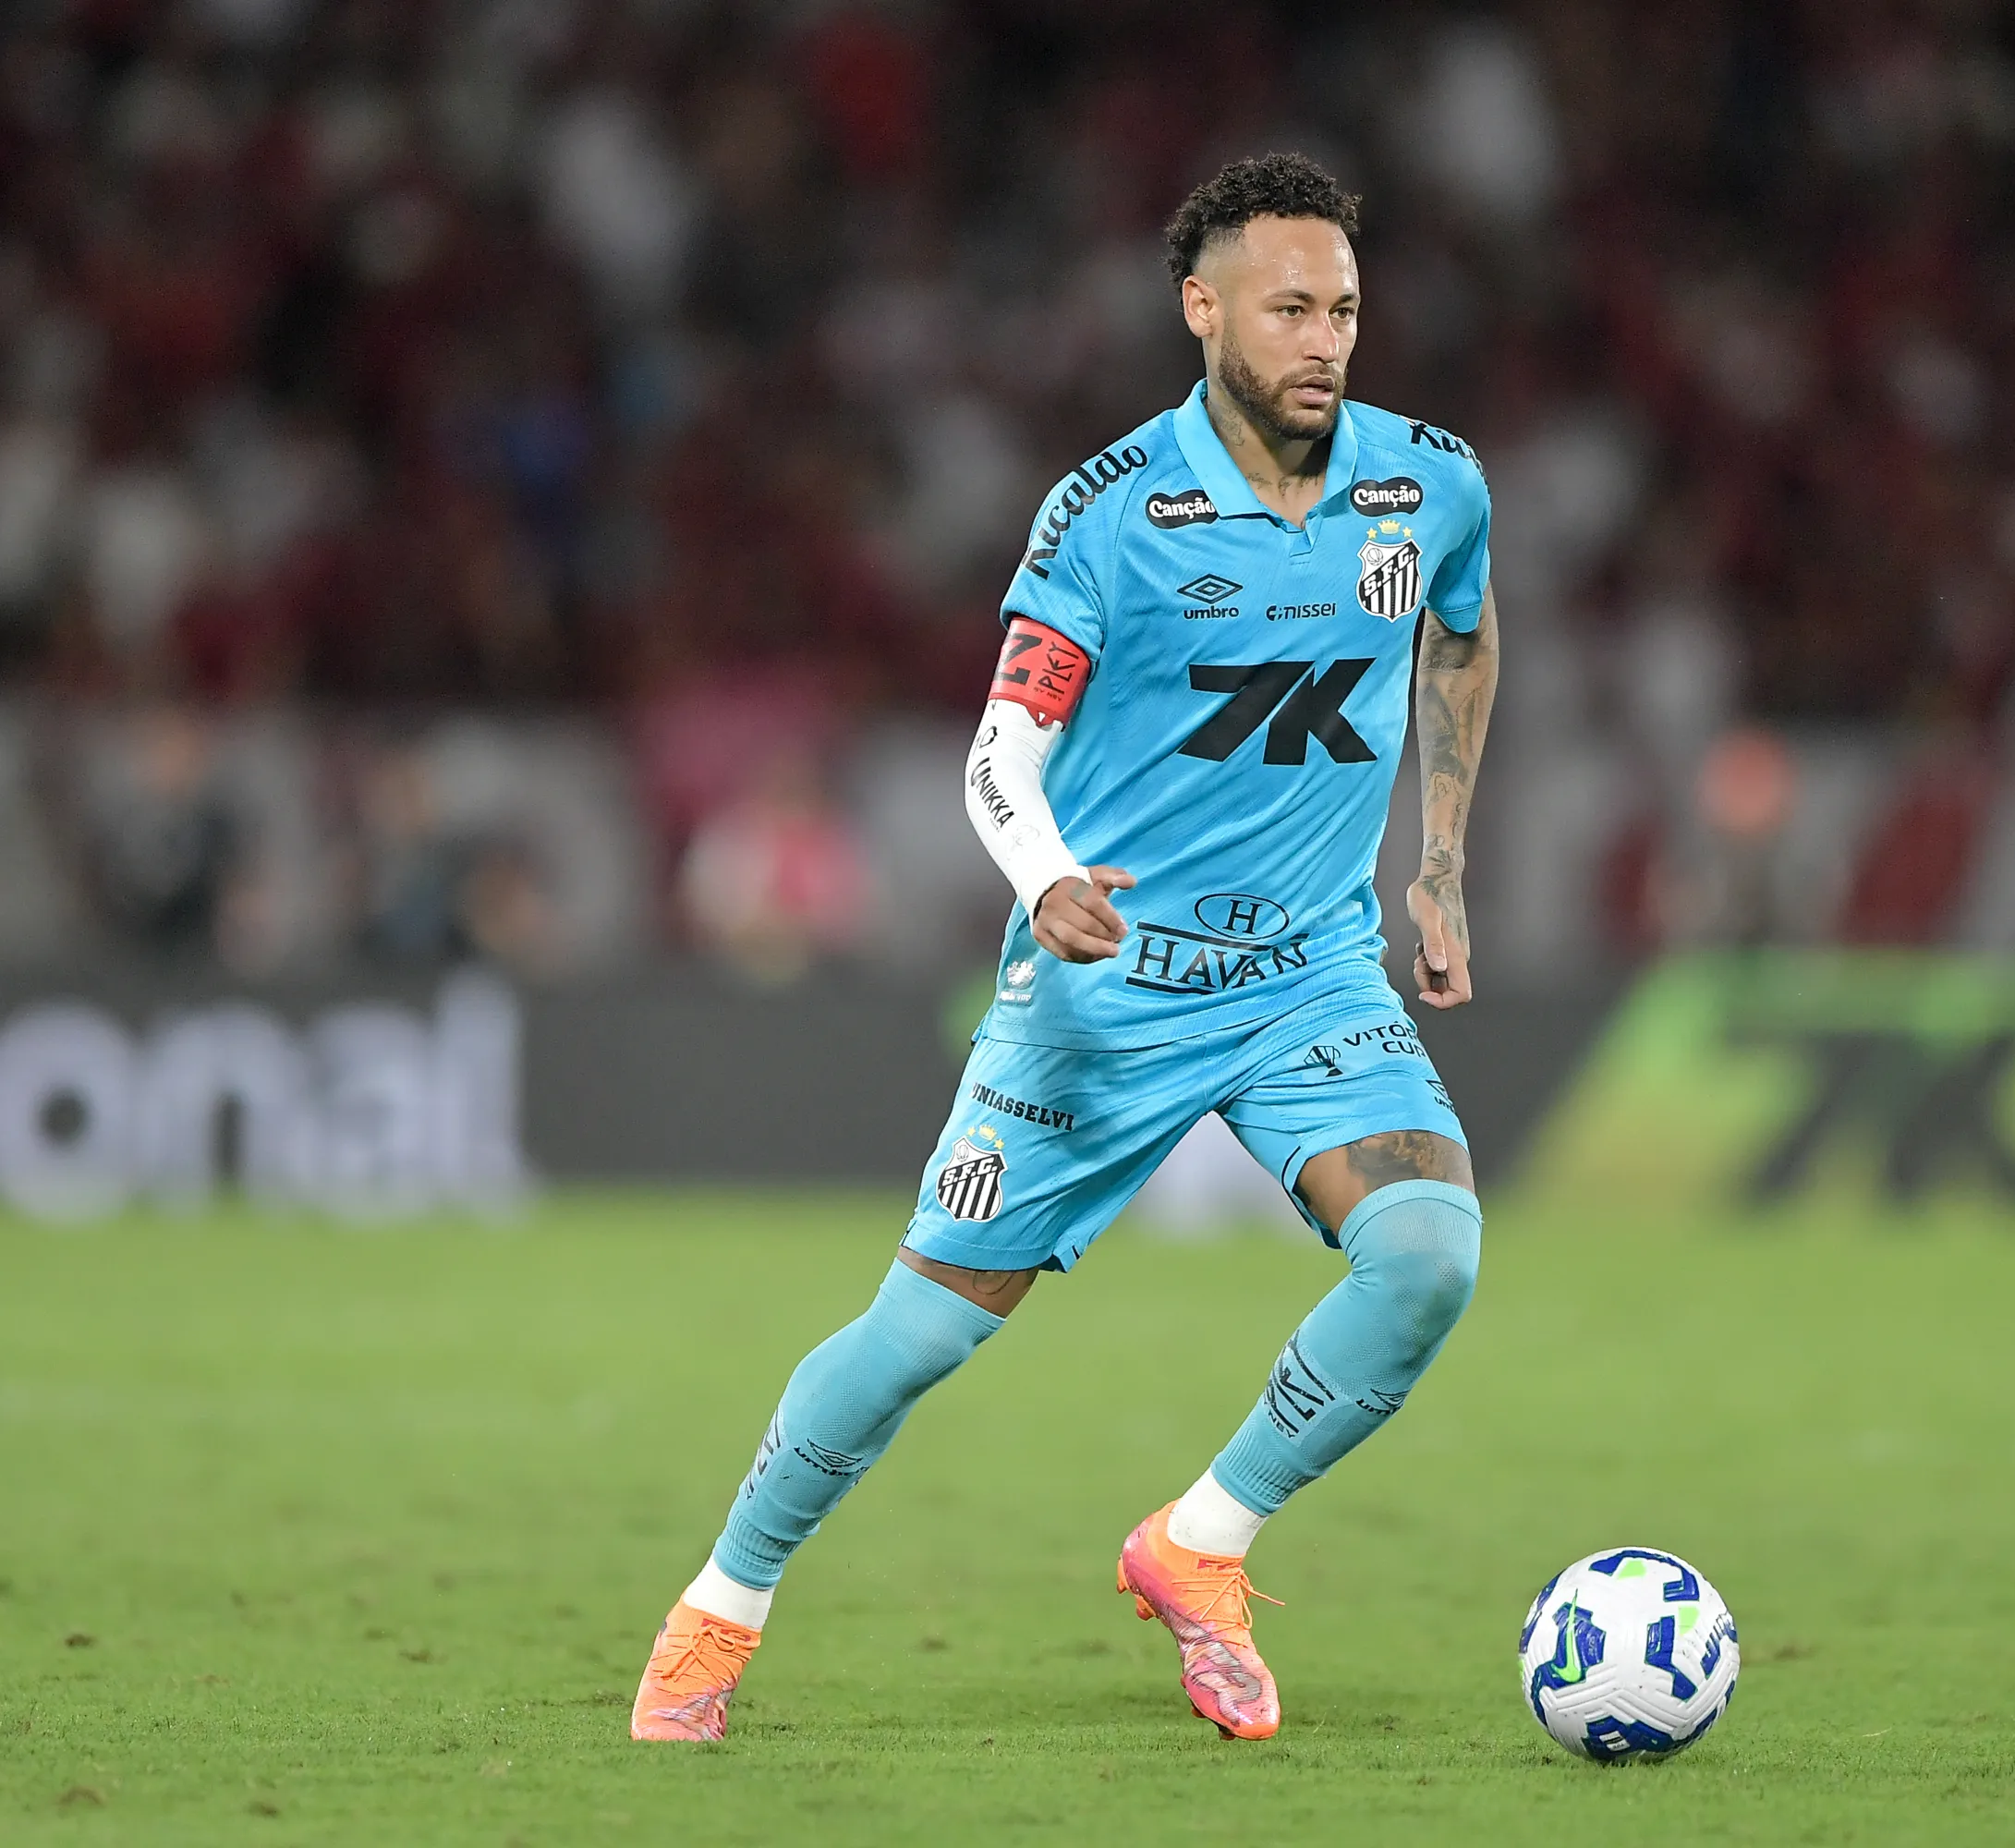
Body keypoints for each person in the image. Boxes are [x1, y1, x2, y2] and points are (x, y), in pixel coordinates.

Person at [630, 152, 1499, 1744]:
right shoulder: (1110, 515)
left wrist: (1438, 862)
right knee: (916, 1340)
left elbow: (1462, 625)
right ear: (1204, 310)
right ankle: (718, 1609)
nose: (1326, 340)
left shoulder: (1428, 484)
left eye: (1347, 310)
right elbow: (995, 754)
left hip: (1311, 970)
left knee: (1432, 1252)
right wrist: (1042, 883)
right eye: (1291, 307)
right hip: (1110, 987)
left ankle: (1200, 1544)